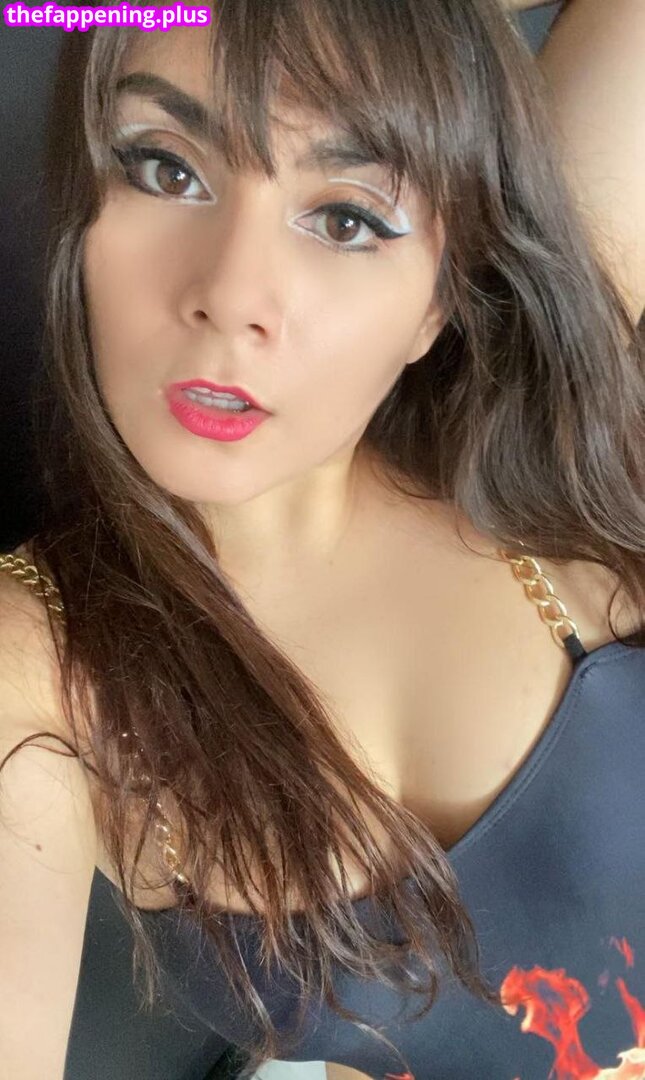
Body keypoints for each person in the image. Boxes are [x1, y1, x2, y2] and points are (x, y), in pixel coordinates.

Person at [0, 0, 643, 1077]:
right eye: (165, 168)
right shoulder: (38, 664)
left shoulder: (541, 438)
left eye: (345, 219)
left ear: (438, 301)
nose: (229, 297)